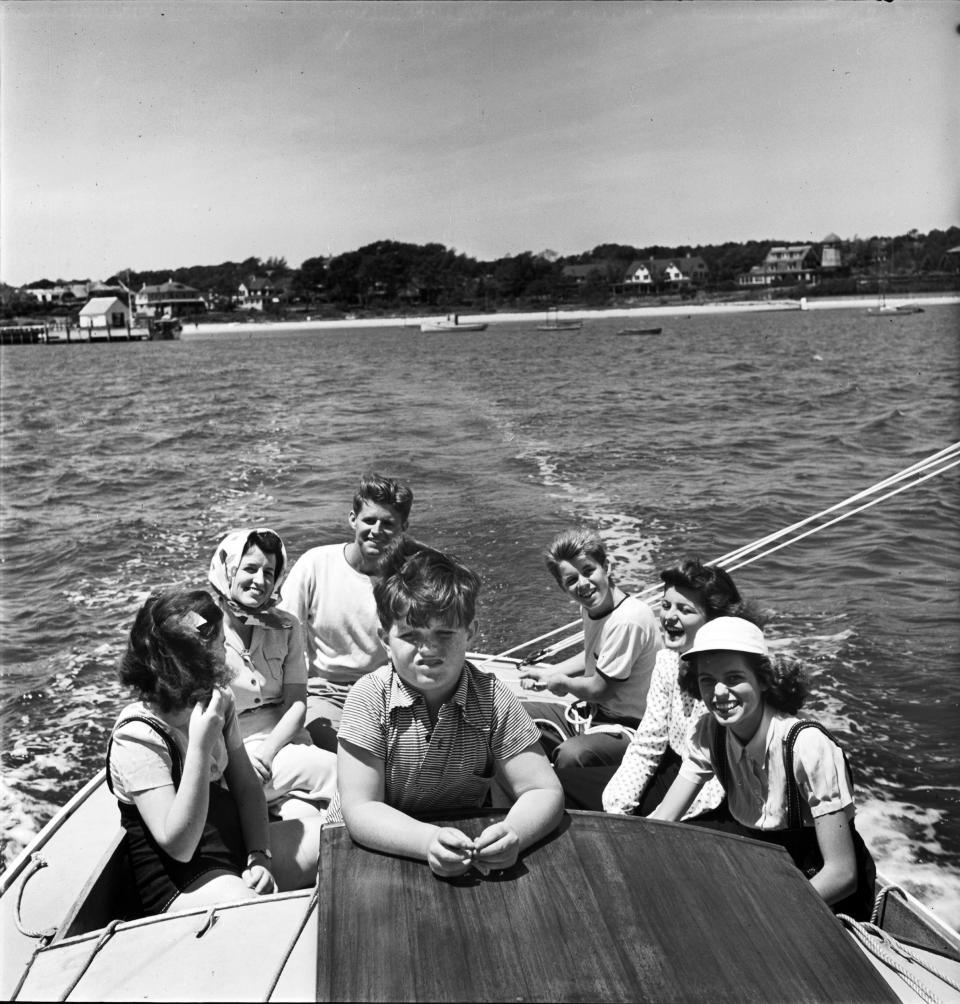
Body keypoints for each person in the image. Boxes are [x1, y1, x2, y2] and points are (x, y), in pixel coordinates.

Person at [329, 541, 564, 878]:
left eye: (444, 633)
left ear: (470, 634)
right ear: (385, 638)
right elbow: (361, 809)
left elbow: (543, 789)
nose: (428, 650)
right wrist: (427, 841)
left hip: (457, 851)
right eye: (410, 635)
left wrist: (514, 833)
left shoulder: (494, 699)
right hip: (366, 851)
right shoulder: (369, 698)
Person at [105, 589, 323, 915]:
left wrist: (259, 856)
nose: (227, 650)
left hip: (233, 848)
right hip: (181, 879)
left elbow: (248, 789)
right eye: (221, 644)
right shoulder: (137, 736)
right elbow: (178, 845)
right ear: (190, 662)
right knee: (247, 905)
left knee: (333, 840)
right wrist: (200, 743)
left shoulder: (218, 700)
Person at [649, 616, 876, 918]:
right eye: (707, 680)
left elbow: (842, 874)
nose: (718, 693)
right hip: (768, 870)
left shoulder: (805, 746)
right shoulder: (710, 733)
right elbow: (664, 818)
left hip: (827, 896)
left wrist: (761, 912)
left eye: (733, 678)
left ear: (764, 679)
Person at [518, 528, 661, 807]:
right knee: (517, 714)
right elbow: (592, 654)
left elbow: (599, 689)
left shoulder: (628, 620)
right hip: (597, 715)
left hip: (630, 727)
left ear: (607, 567)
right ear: (563, 587)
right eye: (571, 580)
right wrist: (551, 671)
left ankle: (559, 804)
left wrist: (560, 683)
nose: (582, 584)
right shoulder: (594, 607)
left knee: (572, 755)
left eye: (589, 571)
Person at [602, 557, 748, 819]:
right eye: (666, 605)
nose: (669, 616)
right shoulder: (668, 660)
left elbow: (714, 782)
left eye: (685, 610)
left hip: (722, 792)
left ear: (714, 620)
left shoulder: (729, 682)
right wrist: (618, 810)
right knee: (569, 788)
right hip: (678, 768)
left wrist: (657, 823)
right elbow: (648, 742)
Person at [207, 528, 337, 819]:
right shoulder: (202, 625)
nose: (259, 581)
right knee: (343, 773)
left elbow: (297, 704)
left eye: (269, 572)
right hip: (232, 753)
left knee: (306, 820)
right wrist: (247, 760)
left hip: (283, 746)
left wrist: (268, 752)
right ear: (227, 570)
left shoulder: (287, 625)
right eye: (250, 569)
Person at [278, 473, 414, 751]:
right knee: (352, 754)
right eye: (369, 520)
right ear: (353, 519)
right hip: (324, 693)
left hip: (388, 692)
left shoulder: (410, 579)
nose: (377, 530)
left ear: (404, 528)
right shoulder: (315, 564)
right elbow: (282, 631)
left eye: (388, 524)